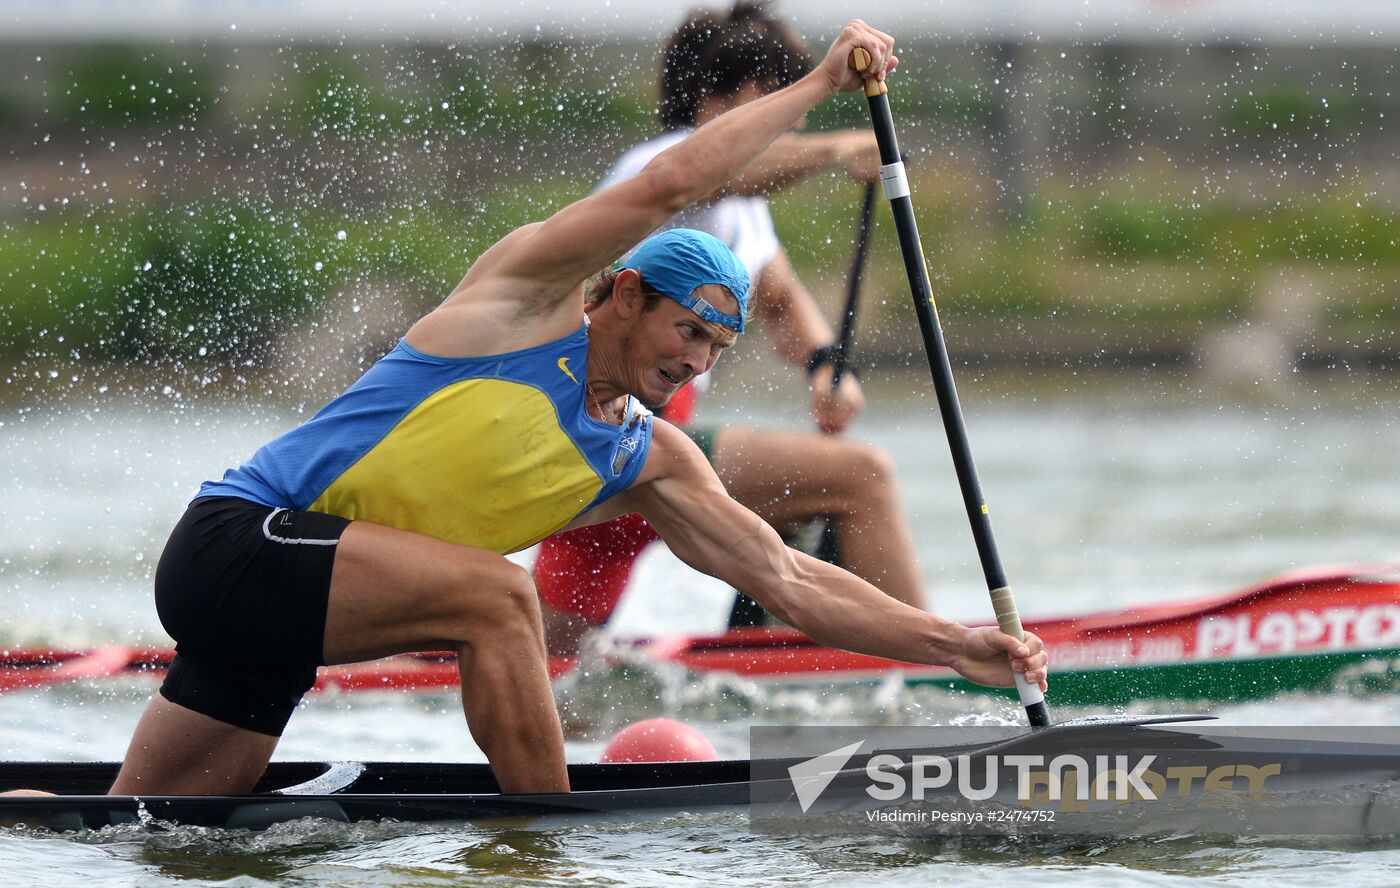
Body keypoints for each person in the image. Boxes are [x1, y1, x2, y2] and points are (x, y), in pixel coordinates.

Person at [109, 20, 1048, 799]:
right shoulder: (523, 301)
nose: (696, 359)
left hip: (279, 625)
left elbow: (790, 581)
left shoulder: (649, 454)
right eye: (687, 332)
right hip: (238, 543)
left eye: (716, 350)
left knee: (151, 831)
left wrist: (954, 644)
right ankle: (547, 844)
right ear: (627, 296)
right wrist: (816, 83)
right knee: (499, 596)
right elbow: (673, 185)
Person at [534, 2, 925, 652]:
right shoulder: (657, 165)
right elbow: (713, 171)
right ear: (737, 96)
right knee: (863, 476)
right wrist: (834, 149)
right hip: (610, 440)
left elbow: (779, 302)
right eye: (784, 95)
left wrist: (827, 364)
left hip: (637, 455)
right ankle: (926, 661)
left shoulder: (745, 213)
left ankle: (781, 662)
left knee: (548, 675)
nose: (799, 118)